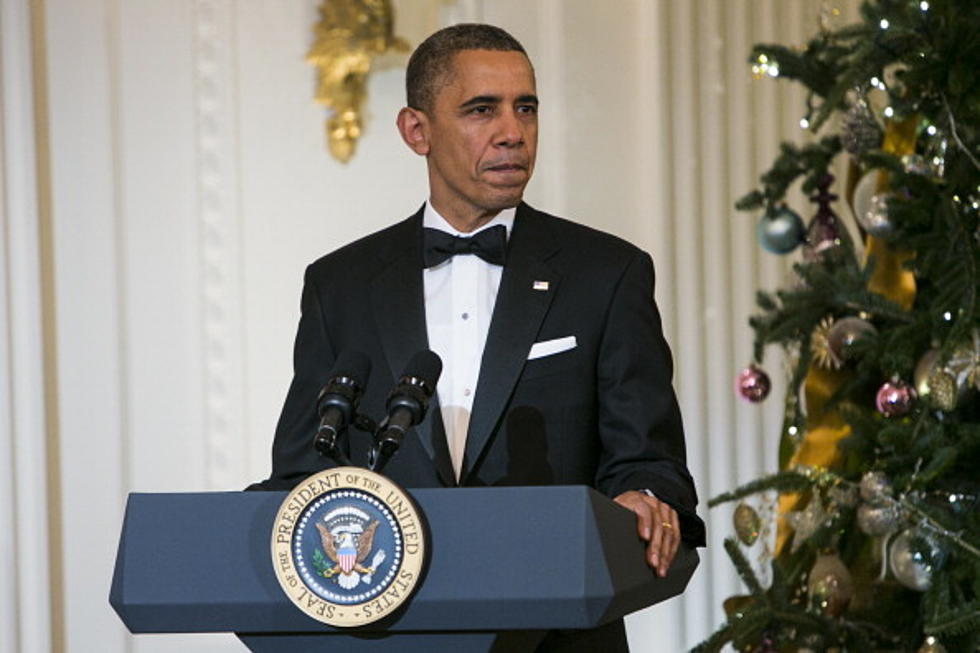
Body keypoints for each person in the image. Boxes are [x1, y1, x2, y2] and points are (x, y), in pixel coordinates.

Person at [250, 23, 705, 652]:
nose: (512, 132)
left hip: (562, 636)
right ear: (417, 131)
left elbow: (649, 456)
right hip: (386, 635)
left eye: (526, 108)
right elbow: (303, 470)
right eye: (481, 110)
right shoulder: (341, 285)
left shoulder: (607, 274)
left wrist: (646, 496)